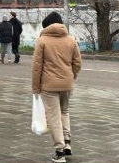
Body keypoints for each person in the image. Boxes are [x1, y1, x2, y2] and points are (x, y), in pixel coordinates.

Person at [32, 11, 82, 163]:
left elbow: (37, 67)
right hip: (67, 84)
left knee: (53, 116)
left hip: (49, 85)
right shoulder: (71, 40)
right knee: (64, 111)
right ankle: (67, 142)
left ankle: (59, 151)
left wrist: (35, 87)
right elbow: (77, 63)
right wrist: (72, 75)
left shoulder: (42, 41)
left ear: (47, 26)